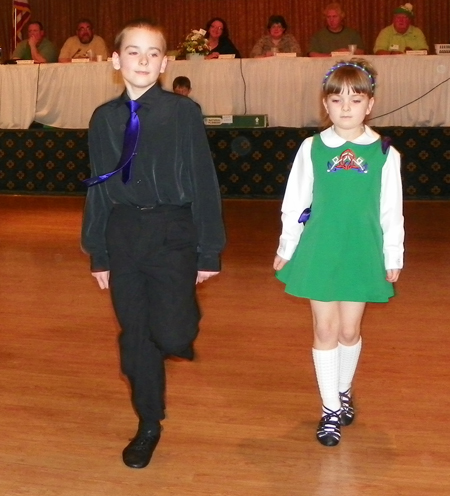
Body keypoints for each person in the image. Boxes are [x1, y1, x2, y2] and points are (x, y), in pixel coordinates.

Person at [81, 18, 226, 469]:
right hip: (123, 234)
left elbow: (204, 180)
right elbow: (98, 185)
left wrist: (209, 249)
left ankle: (166, 334)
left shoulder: (183, 112)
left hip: (172, 233)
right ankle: (148, 423)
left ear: (164, 62)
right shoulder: (104, 119)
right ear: (115, 60)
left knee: (174, 332)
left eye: (152, 53)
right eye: (133, 52)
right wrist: (97, 252)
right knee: (138, 337)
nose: (142, 61)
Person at [273, 58, 404, 447]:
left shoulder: (384, 152)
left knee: (349, 330)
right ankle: (330, 409)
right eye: (337, 98)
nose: (346, 106)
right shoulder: (312, 147)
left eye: (355, 97)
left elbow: (390, 209)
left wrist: (393, 254)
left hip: (362, 250)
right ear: (325, 104)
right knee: (325, 329)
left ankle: (343, 391)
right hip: (320, 249)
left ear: (371, 104)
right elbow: (296, 201)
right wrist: (287, 245)